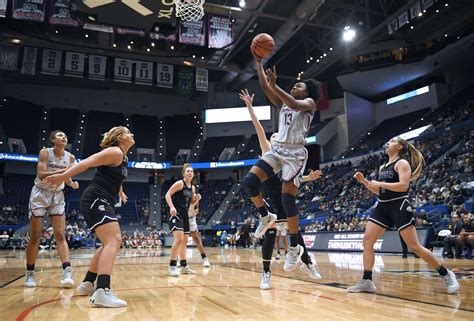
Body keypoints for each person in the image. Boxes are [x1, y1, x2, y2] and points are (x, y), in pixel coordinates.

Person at [241, 50, 321, 272]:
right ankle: (265, 216)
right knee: (248, 183)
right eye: (294, 85)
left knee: (288, 201)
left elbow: (294, 103)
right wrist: (258, 62)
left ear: (308, 91)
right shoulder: (284, 103)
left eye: (299, 85)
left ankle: (294, 247)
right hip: (277, 151)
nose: (295, 86)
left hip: (295, 154)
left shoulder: (309, 103)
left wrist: (276, 86)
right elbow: (266, 87)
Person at [349, 137, 460, 294]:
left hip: (399, 205)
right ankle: (367, 281)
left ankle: (446, 274)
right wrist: (366, 182)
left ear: (399, 146)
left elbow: (403, 186)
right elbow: (381, 191)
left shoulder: (402, 163)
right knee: (367, 241)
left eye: (392, 141)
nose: (388, 143)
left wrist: (379, 183)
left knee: (414, 246)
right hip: (383, 206)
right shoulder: (382, 167)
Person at [45, 126, 134, 307]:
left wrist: (121, 191)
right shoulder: (115, 151)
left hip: (102, 199)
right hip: (95, 198)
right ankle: (102, 290)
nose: (131, 134)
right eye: (127, 132)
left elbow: (116, 178)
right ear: (118, 137)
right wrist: (62, 177)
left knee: (107, 243)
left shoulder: (123, 157)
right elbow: (86, 162)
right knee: (114, 240)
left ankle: (87, 283)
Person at [24, 130, 79, 288]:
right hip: (40, 194)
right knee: (35, 236)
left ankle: (67, 271)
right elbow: (41, 174)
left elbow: (67, 178)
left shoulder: (70, 157)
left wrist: (72, 183)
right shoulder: (45, 153)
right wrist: (67, 171)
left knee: (60, 234)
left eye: (65, 136)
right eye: (60, 135)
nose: (63, 137)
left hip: (56, 194)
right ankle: (30, 273)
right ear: (53, 140)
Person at [165, 164, 198, 276]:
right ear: (184, 173)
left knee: (184, 242)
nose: (190, 173)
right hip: (176, 213)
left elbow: (192, 202)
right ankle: (172, 265)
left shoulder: (192, 188)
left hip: (185, 216)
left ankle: (183, 266)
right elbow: (167, 195)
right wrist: (171, 207)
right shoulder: (180, 183)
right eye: (188, 171)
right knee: (179, 239)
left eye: (192, 171)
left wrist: (196, 199)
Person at [187, 193, 211, 267]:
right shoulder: (184, 196)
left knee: (197, 239)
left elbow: (196, 210)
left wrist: (197, 201)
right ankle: (178, 260)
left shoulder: (195, 196)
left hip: (191, 219)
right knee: (181, 240)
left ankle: (205, 259)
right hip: (183, 219)